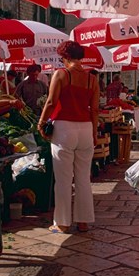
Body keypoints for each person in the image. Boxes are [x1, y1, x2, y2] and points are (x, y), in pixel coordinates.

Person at [37, 41, 100, 234]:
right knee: (83, 178)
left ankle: (62, 222)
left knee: (63, 179)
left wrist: (41, 122)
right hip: (85, 129)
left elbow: (50, 101)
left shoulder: (62, 74)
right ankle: (83, 221)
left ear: (64, 57)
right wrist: (94, 132)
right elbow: (95, 109)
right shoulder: (92, 79)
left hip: (64, 127)